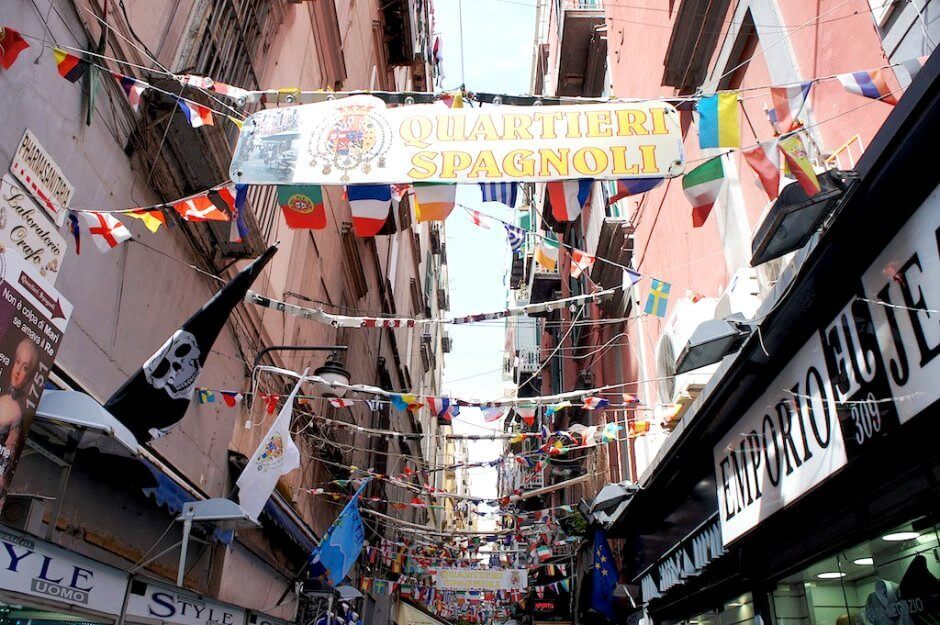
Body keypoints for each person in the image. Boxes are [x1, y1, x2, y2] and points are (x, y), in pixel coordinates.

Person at [0, 337, 40, 482]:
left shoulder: (18, 414)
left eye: (25, 368)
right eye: (18, 362)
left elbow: (7, 458)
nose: (17, 371)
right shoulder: (2, 397)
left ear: (29, 376)